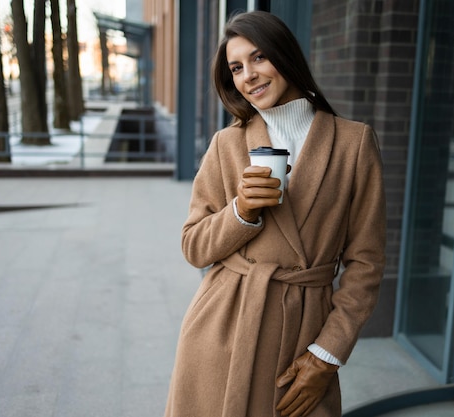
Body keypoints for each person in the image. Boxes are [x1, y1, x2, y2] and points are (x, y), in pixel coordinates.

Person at [164, 10, 386, 417]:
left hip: (303, 336)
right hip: (221, 329)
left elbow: (365, 264)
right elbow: (193, 246)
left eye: (259, 57)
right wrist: (241, 211)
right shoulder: (226, 145)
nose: (248, 74)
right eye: (236, 67)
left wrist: (326, 355)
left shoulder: (354, 144)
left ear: (286, 56)